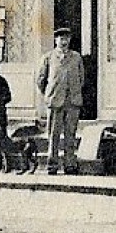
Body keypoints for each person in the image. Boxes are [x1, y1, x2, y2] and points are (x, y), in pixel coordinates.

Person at [36, 27, 85, 175]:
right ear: (55, 40)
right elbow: (40, 80)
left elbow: (81, 79)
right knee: (53, 135)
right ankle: (52, 165)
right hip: (55, 102)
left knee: (71, 134)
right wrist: (50, 94)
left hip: (72, 101)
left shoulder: (76, 57)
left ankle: (70, 164)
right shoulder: (48, 57)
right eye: (61, 38)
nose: (64, 41)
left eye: (66, 38)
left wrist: (73, 92)